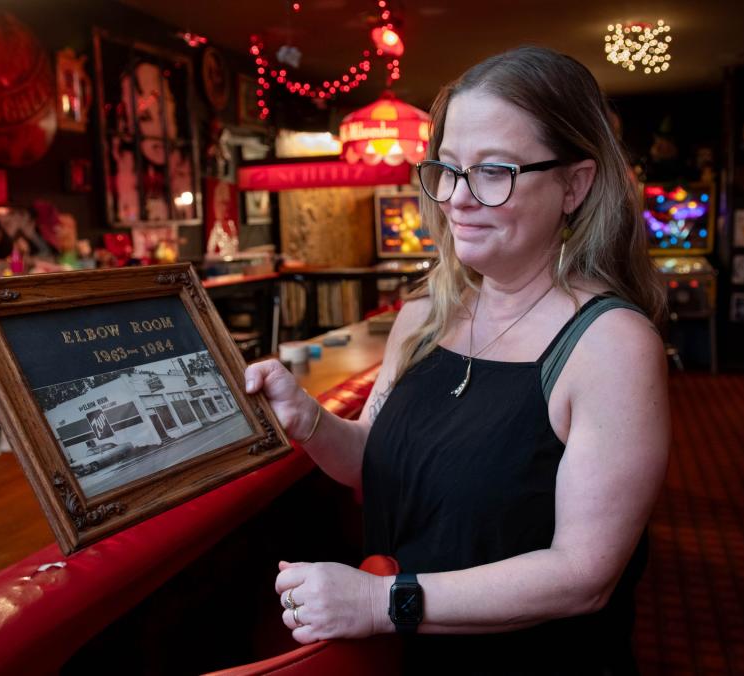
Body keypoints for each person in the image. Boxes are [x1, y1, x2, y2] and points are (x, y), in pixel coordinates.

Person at [245, 46, 670, 674]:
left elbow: (583, 575)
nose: (457, 199)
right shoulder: (422, 316)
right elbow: (375, 462)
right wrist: (309, 420)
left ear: (574, 185)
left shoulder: (610, 343)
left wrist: (379, 602)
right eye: (447, 169)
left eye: (494, 171)